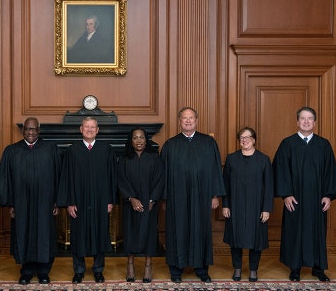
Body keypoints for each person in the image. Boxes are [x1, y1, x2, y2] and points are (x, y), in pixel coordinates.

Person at [273, 106, 336, 282]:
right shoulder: (287, 144)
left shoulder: (323, 144)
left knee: (317, 232)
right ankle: (295, 268)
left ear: (314, 122)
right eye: (303, 118)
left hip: (316, 199)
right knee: (294, 231)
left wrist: (328, 195)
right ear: (297, 121)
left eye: (310, 118)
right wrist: (286, 194)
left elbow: (330, 172)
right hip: (295, 199)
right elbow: (280, 170)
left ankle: (318, 268)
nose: (306, 121)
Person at [160, 107, 225, 283]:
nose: (188, 121)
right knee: (176, 229)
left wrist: (215, 195)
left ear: (196, 120)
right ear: (179, 121)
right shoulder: (170, 144)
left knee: (200, 229)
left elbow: (215, 170)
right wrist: (165, 198)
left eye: (191, 118)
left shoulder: (208, 143)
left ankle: (201, 269)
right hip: (176, 197)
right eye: (184, 118)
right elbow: (163, 174)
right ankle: (176, 269)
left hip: (202, 196)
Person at [0, 117, 60, 285]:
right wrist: (10, 203)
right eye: (27, 129)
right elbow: (6, 179)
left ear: (39, 131)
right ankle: (26, 271)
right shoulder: (12, 151)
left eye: (34, 129)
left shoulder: (50, 149)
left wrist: (56, 201)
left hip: (45, 203)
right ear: (22, 130)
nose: (31, 132)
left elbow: (59, 177)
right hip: (21, 202)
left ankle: (43, 272)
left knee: (44, 235)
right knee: (23, 234)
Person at [57, 116, 117, 283]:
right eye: (87, 127)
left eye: (93, 127)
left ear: (97, 130)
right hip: (79, 201)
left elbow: (113, 176)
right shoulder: (72, 151)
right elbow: (66, 178)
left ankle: (98, 270)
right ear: (81, 129)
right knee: (78, 235)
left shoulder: (106, 149)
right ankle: (79, 270)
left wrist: (110, 200)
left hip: (101, 200)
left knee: (100, 233)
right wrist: (69, 202)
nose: (90, 129)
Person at [222, 127, 274, 282]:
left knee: (256, 240)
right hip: (235, 206)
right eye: (241, 138)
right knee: (235, 239)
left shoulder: (264, 160)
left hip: (257, 206)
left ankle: (253, 270)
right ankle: (237, 268)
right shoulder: (231, 159)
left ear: (254, 139)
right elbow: (225, 185)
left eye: (247, 137)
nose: (244, 140)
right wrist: (225, 204)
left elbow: (269, 186)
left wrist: (266, 209)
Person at [117, 127, 164, 283]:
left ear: (146, 140)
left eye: (141, 137)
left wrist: (151, 200)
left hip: (149, 203)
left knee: (149, 234)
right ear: (131, 141)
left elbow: (159, 180)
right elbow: (121, 180)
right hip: (130, 204)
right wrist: (131, 198)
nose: (138, 140)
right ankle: (130, 265)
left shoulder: (154, 158)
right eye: (135, 138)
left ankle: (148, 266)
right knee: (130, 233)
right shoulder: (124, 159)